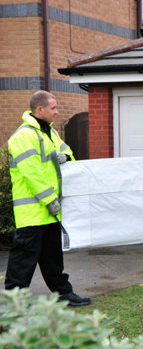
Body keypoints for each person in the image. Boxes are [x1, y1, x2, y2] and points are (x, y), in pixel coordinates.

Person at [5, 90, 90, 306]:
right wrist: (49, 200)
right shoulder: (23, 136)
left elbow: (68, 152)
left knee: (53, 259)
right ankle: (15, 302)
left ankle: (64, 293)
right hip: (33, 212)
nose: (57, 112)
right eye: (53, 108)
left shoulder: (49, 133)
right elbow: (31, 173)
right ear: (40, 109)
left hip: (49, 211)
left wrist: (65, 157)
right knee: (23, 260)